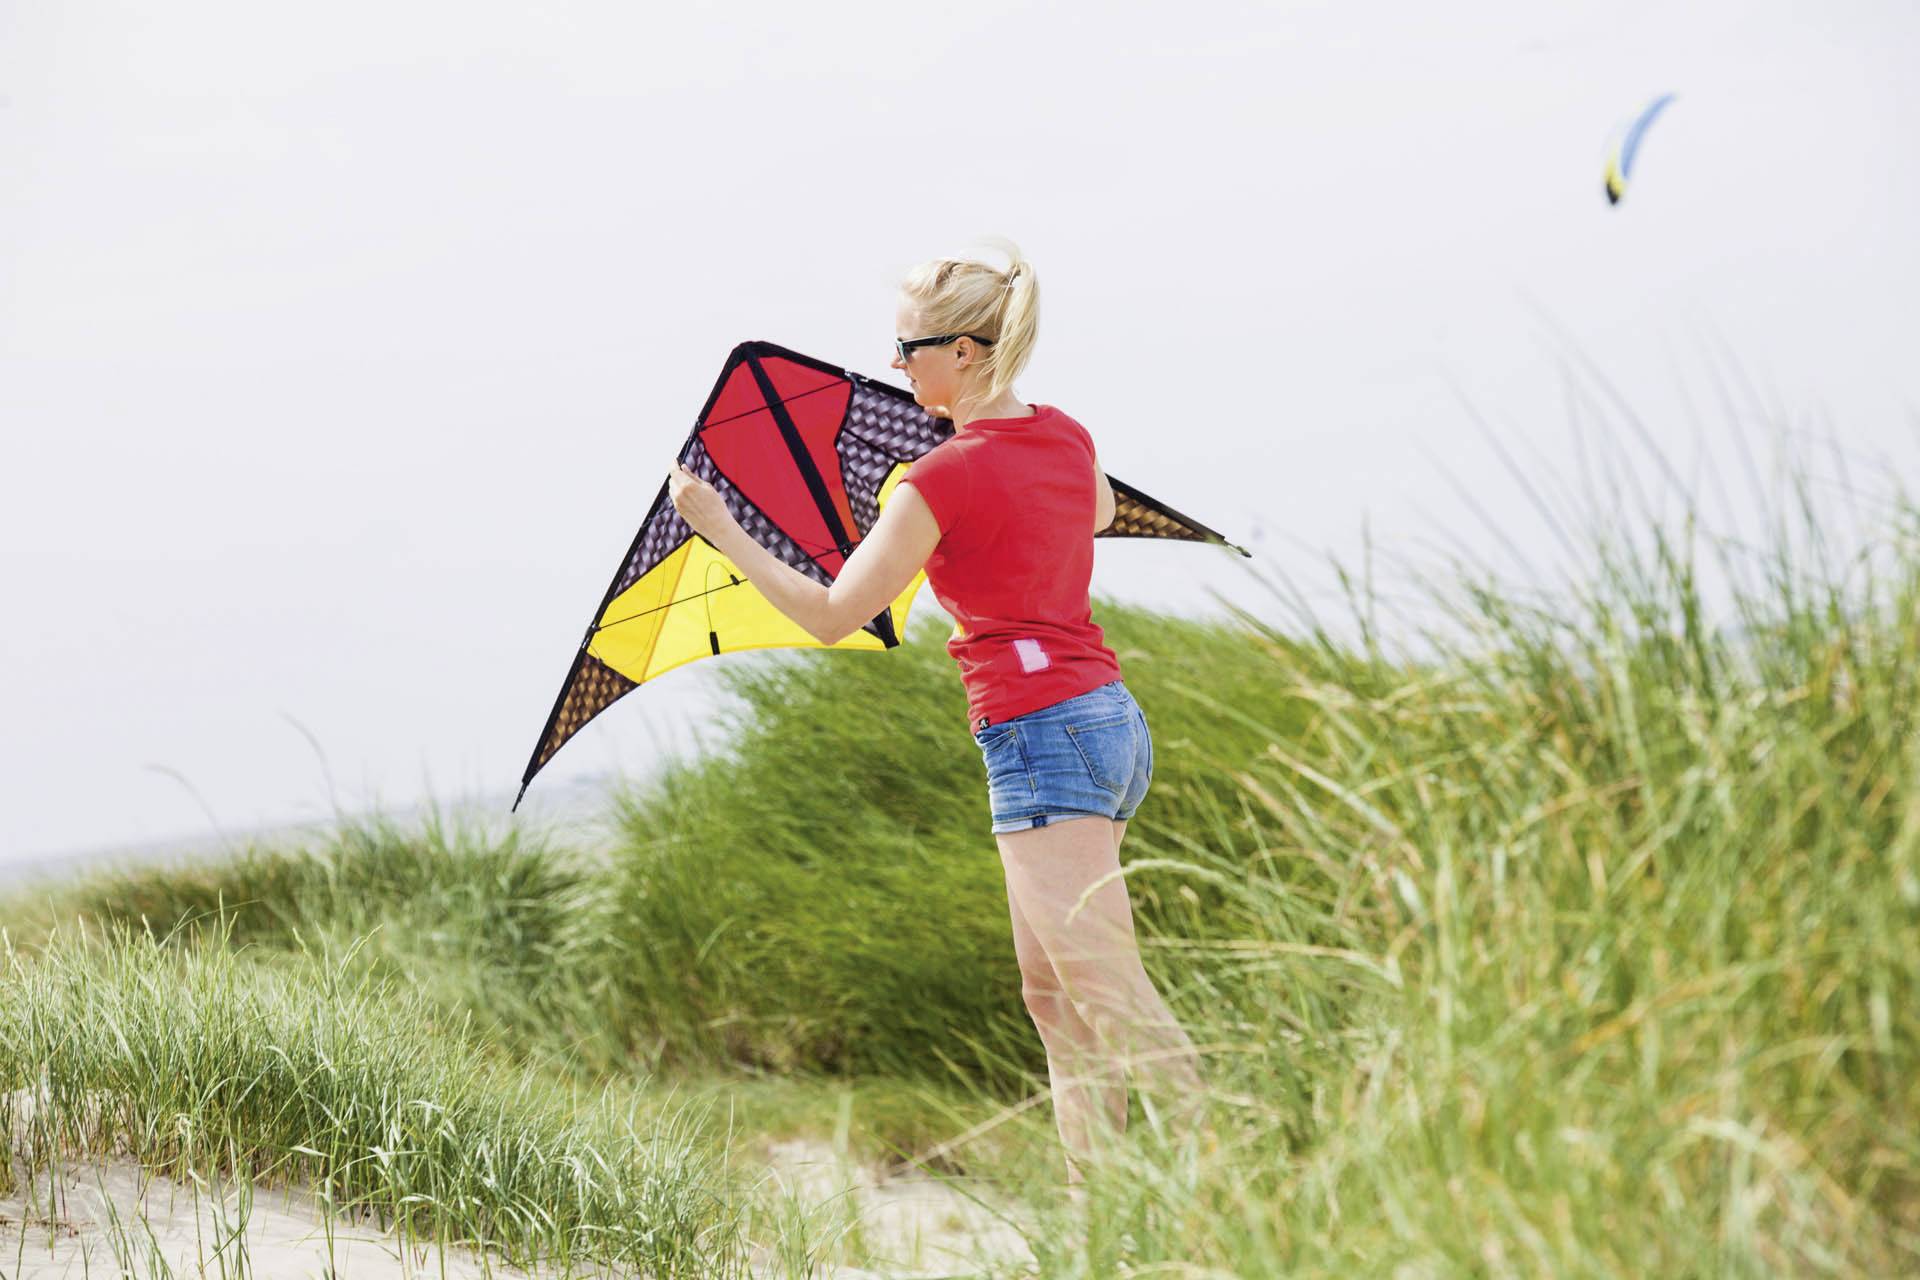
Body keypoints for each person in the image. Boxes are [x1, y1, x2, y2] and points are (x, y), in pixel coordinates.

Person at [665, 242, 1204, 1183]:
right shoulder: (1065, 436)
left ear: (966, 352)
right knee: (1055, 996)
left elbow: (837, 615)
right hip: (1106, 722)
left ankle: (1238, 1198)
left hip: (1042, 733)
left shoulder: (936, 481)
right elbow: (1103, 511)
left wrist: (722, 529)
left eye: (909, 348)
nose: (896, 365)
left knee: (1111, 994)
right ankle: (1102, 1224)